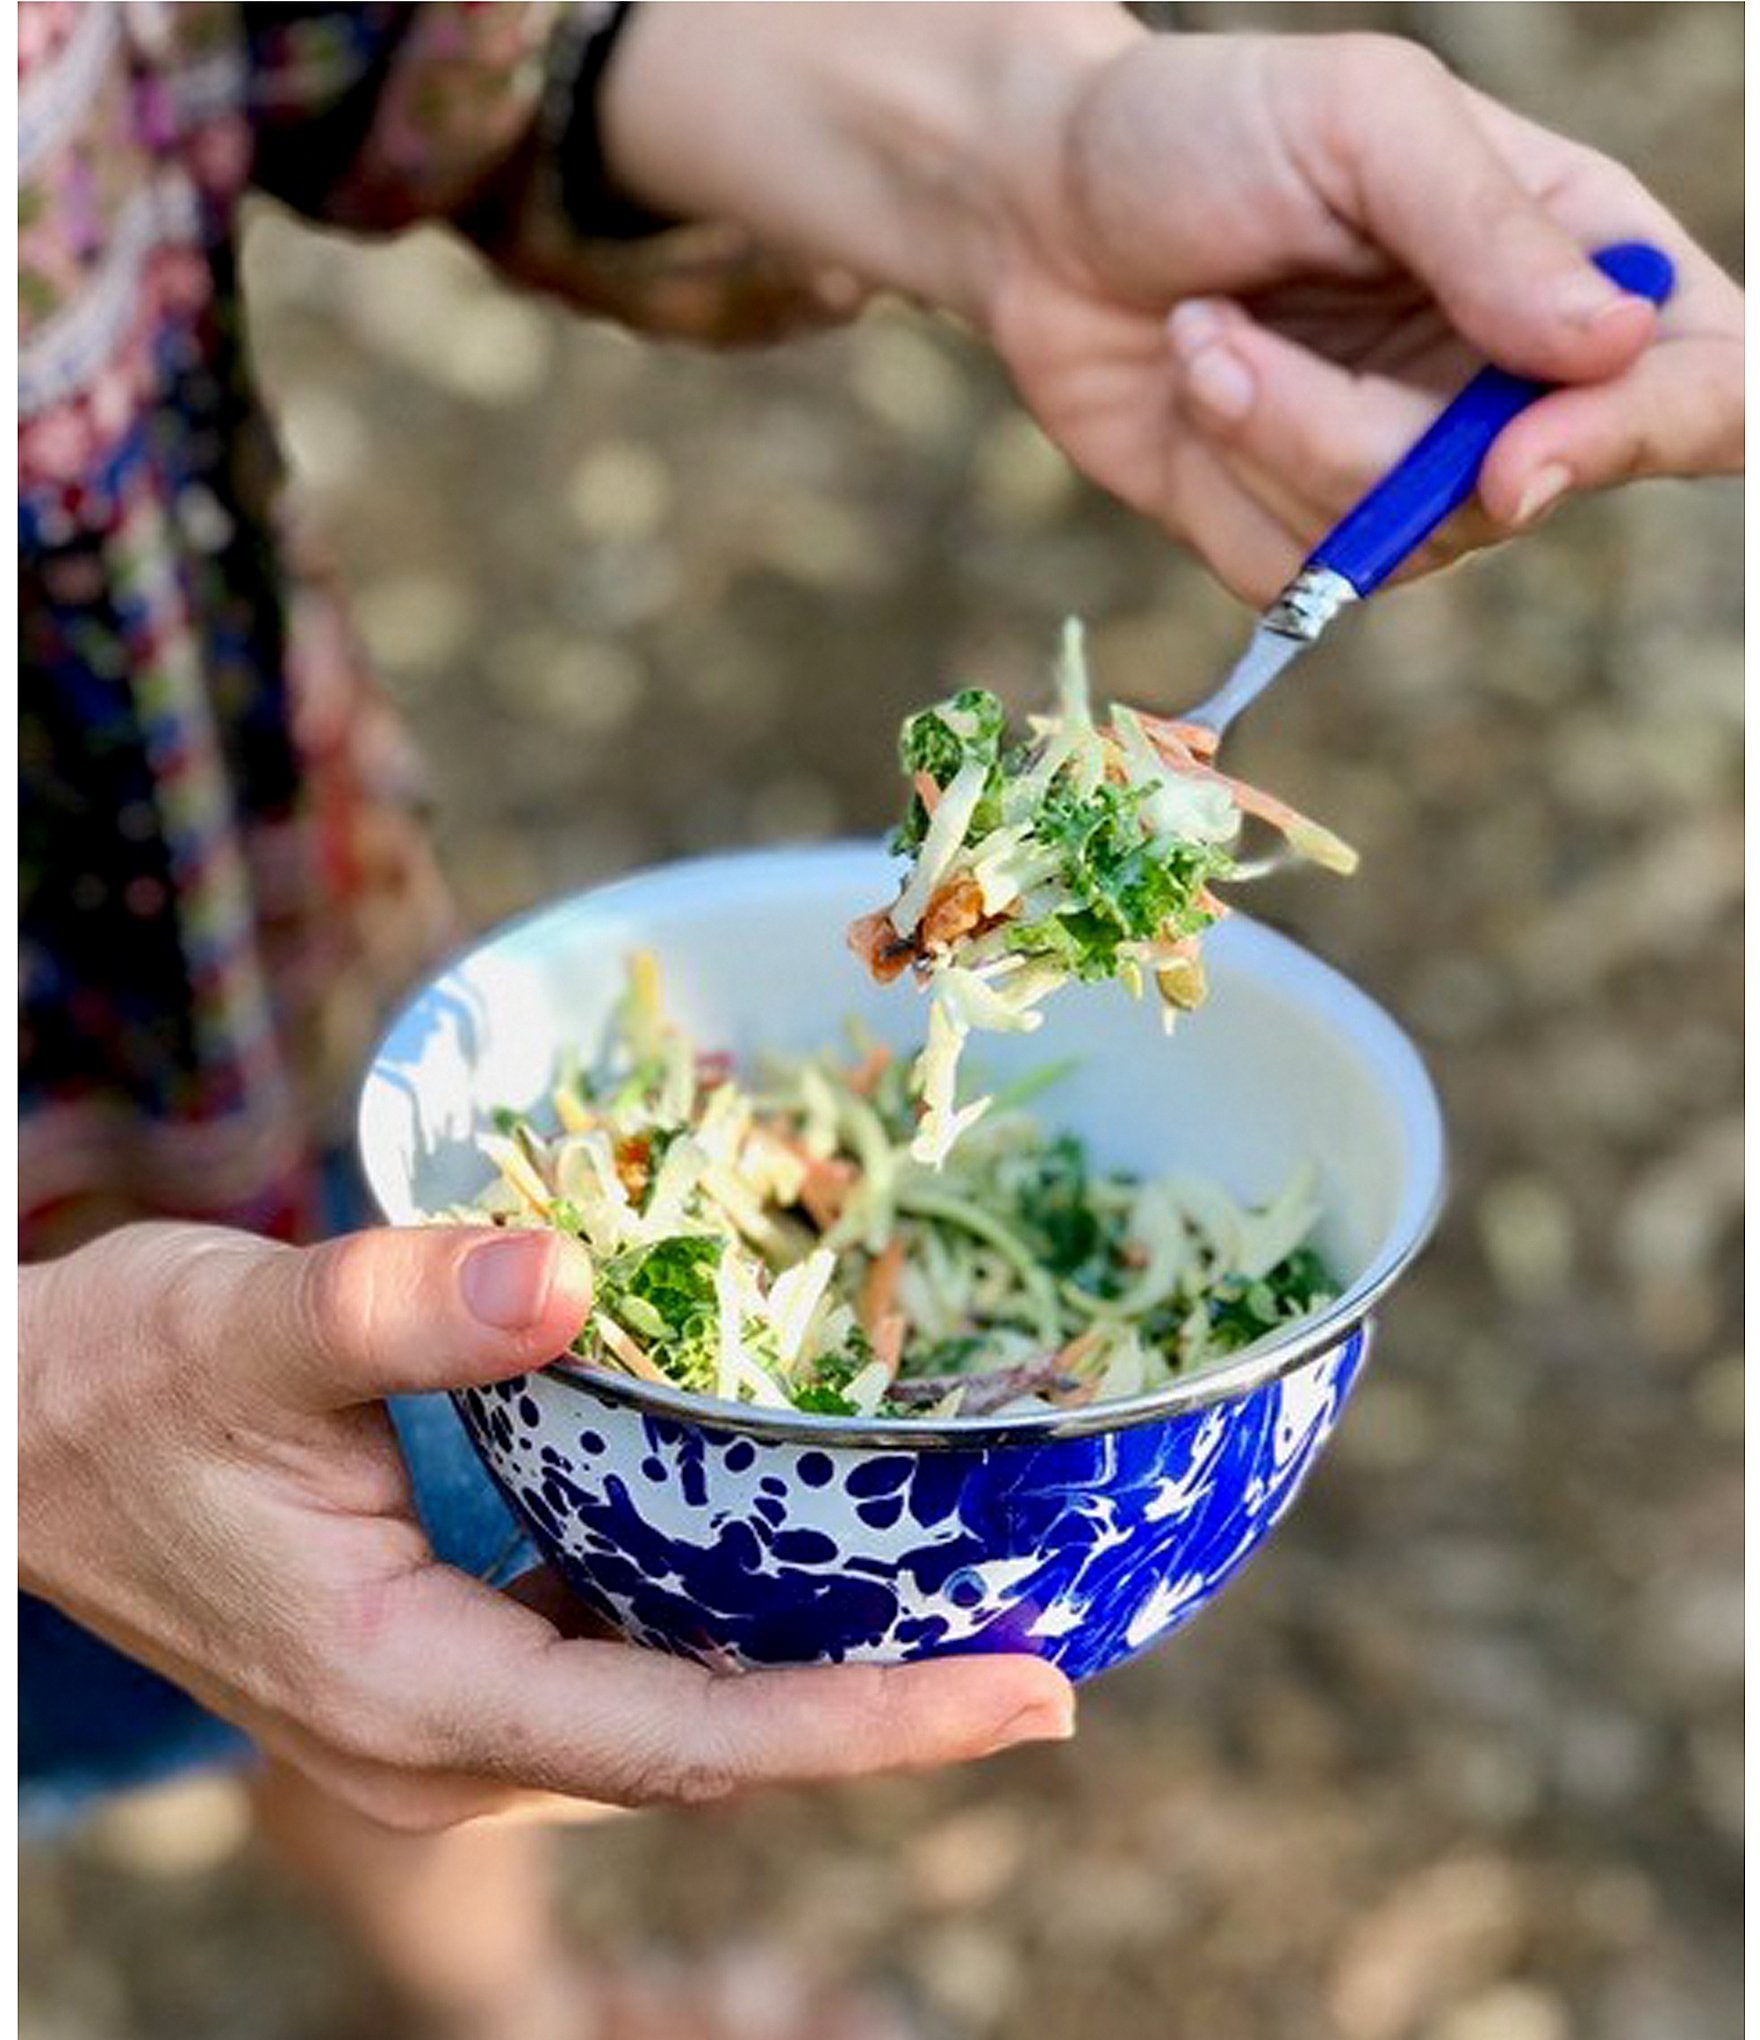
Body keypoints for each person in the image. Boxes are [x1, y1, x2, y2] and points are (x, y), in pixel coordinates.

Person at [18, 5, 1743, 2038]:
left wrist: (1033, 133)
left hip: (212, 954)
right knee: (231, 1594)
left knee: (353, 1567)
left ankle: (493, 2006)